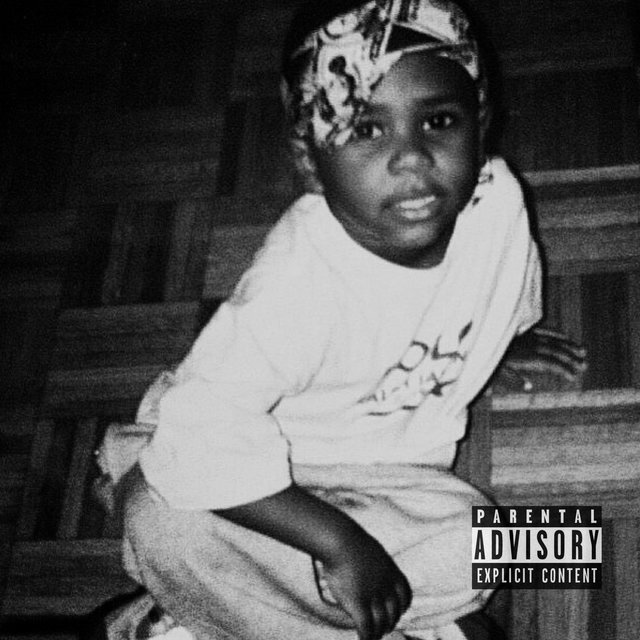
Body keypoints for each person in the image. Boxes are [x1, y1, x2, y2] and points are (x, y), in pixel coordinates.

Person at [107, 1, 574, 638]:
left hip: (398, 476)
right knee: (164, 523)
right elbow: (198, 437)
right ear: (310, 157)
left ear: (481, 121)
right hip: (261, 485)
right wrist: (339, 543)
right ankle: (202, 615)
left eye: (438, 121)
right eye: (366, 130)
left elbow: (503, 281)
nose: (412, 158)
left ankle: (240, 616)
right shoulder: (293, 286)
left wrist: (504, 340)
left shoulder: (498, 201)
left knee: (553, 546)